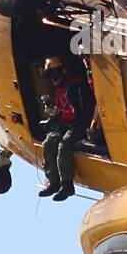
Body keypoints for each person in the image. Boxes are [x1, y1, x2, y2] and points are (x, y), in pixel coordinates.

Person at [38, 56, 91, 201]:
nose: (53, 79)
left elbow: (77, 113)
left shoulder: (75, 87)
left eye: (55, 74)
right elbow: (61, 111)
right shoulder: (59, 90)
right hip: (65, 124)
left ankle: (67, 185)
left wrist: (58, 113)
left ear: (64, 71)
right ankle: (53, 181)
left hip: (79, 125)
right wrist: (52, 118)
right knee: (49, 142)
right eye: (50, 76)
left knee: (64, 145)